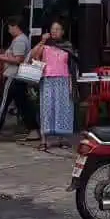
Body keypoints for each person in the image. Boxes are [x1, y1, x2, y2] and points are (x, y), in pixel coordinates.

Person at [0, 17, 39, 144]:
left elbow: (18, 59)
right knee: (23, 104)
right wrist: (2, 57)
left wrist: (2, 59)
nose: (9, 30)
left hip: (12, 76)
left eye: (10, 27)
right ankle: (34, 129)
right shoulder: (21, 39)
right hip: (18, 77)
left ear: (16, 27)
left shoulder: (20, 40)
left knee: (1, 104)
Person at [30, 21, 78, 151]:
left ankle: (61, 139)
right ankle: (44, 140)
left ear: (63, 32)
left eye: (57, 29)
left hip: (63, 81)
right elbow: (33, 56)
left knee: (62, 109)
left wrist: (71, 84)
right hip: (47, 81)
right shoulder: (45, 46)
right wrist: (42, 41)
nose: (54, 31)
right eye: (52, 29)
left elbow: (72, 67)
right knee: (47, 109)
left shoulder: (67, 46)